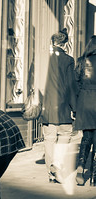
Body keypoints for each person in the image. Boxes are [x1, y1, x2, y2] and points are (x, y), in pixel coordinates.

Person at [39, 29, 77, 183]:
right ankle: (57, 164)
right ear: (65, 43)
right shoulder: (68, 60)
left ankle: (50, 173)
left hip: (46, 107)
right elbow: (70, 85)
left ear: (53, 42)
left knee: (49, 139)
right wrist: (74, 108)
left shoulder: (43, 58)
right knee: (65, 136)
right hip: (63, 107)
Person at [74, 35, 96, 186]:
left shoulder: (81, 61)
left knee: (86, 136)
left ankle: (80, 168)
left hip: (84, 101)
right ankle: (94, 174)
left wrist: (75, 106)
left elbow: (74, 83)